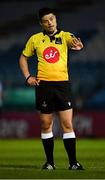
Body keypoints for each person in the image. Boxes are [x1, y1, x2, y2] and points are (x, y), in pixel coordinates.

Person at [19, 7, 84, 170]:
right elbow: (23, 58)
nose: (50, 23)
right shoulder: (35, 39)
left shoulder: (66, 36)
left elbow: (75, 43)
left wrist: (78, 47)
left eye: (52, 19)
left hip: (62, 85)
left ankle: (73, 163)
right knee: (45, 124)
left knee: (67, 124)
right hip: (44, 86)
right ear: (41, 23)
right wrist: (28, 77)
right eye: (46, 20)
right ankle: (50, 162)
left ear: (56, 19)